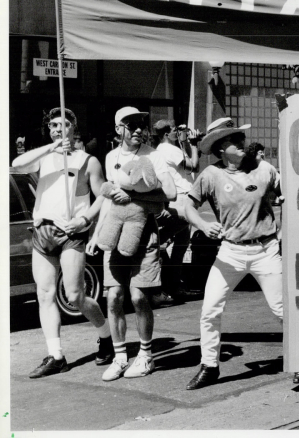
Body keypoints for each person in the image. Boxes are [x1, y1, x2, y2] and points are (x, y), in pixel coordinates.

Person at [182, 118, 286, 389]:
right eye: (234, 140)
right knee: (209, 310)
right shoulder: (210, 175)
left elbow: (290, 195)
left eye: (241, 137)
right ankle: (209, 366)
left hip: (266, 250)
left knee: (283, 309)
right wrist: (203, 225)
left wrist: (285, 220)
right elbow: (188, 207)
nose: (242, 142)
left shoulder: (264, 168)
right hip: (230, 253)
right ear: (220, 150)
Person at [12, 107, 113, 378]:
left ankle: (106, 336)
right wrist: (51, 147)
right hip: (43, 231)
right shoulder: (43, 158)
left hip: (72, 232)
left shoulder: (87, 160)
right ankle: (56, 356)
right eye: (53, 125)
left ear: (73, 128)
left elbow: (103, 194)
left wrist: (86, 220)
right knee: (44, 294)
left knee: (75, 295)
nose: (58, 128)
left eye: (64, 124)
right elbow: (17, 165)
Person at [88, 107, 176, 381]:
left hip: (144, 230)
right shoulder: (111, 156)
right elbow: (110, 198)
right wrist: (95, 234)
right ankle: (120, 356)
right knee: (114, 296)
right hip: (115, 232)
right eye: (130, 124)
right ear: (118, 130)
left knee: (139, 297)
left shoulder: (154, 155)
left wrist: (135, 198)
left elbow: (169, 194)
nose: (138, 129)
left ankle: (147, 356)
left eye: (140, 123)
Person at [153, 119, 201, 304]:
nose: (177, 132)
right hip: (182, 197)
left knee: (178, 244)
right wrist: (193, 145)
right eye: (174, 130)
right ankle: (172, 285)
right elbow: (194, 166)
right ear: (166, 133)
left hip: (172, 198)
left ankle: (173, 285)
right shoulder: (171, 150)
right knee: (179, 246)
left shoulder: (158, 151)